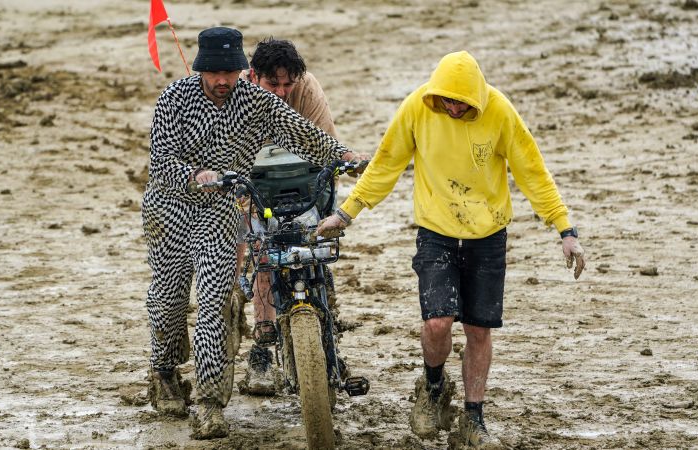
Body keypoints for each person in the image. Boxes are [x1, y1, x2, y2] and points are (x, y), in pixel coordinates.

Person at [316, 50, 586, 448]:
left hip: (488, 234)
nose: (454, 107)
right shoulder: (417, 107)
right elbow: (386, 164)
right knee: (438, 322)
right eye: (447, 100)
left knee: (478, 329)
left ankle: (473, 417)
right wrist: (347, 212)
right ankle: (433, 386)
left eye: (462, 102)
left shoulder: (500, 112)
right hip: (436, 231)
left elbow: (534, 173)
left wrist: (565, 228)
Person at [142, 26, 362, 440]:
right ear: (202, 70)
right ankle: (165, 371)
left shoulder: (256, 101)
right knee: (170, 300)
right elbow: (161, 161)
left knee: (213, 304)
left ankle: (209, 403)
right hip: (169, 208)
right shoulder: (173, 98)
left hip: (222, 212)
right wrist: (197, 175)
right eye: (214, 73)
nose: (222, 81)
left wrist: (343, 156)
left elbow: (301, 132)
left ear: (239, 70)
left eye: (229, 71)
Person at [233, 37, 340, 396]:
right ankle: (262, 348)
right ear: (253, 77)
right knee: (263, 254)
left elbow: (326, 146)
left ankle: (328, 327)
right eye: (272, 84)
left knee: (315, 239)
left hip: (302, 179)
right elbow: (230, 159)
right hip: (253, 184)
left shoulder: (307, 88)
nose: (280, 92)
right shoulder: (238, 96)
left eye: (287, 84)